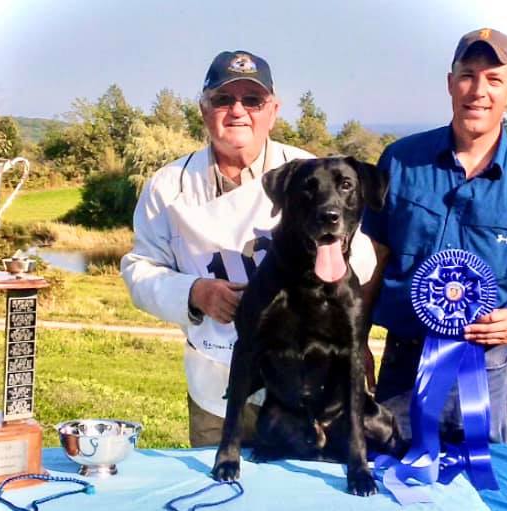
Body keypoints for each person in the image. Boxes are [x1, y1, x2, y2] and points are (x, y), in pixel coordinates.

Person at [122, 50, 377, 447]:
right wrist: (194, 292)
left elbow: (360, 252)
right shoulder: (167, 184)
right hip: (219, 385)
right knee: (221, 494)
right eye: (223, 99)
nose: (237, 111)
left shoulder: (307, 171)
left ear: (272, 110)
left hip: (306, 387)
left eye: (252, 100)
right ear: (204, 109)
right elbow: (140, 267)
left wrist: (318, 281)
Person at [361, 28, 507, 444]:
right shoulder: (400, 161)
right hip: (404, 365)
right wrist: (357, 341)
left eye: (494, 79)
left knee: (479, 494)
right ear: (449, 82)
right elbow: (372, 258)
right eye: (467, 75)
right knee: (392, 487)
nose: (479, 90)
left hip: (483, 371)